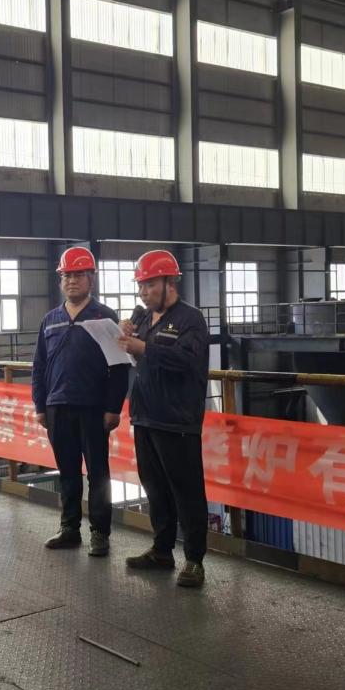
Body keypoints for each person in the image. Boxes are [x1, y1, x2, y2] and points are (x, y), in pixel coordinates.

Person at [117, 249, 210, 588]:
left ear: (170, 282)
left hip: (176, 420)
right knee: (155, 489)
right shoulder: (144, 318)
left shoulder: (190, 319)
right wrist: (125, 334)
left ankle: (195, 560)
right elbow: (135, 356)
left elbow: (187, 361)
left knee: (186, 491)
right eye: (141, 286)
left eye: (150, 285)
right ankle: (161, 550)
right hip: (145, 417)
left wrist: (143, 348)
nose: (144, 293)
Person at [33, 247, 129, 557]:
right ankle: (69, 529)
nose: (72, 281)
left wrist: (113, 407)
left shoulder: (105, 316)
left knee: (98, 473)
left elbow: (119, 366)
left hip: (93, 408)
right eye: (67, 276)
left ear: (91, 279)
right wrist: (39, 406)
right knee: (68, 472)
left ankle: (100, 533)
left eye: (78, 275)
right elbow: (39, 366)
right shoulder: (50, 320)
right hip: (57, 407)